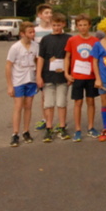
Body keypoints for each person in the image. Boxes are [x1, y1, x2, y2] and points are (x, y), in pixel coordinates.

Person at [36, 12, 73, 140]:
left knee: (62, 102)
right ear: (51, 24)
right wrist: (38, 76)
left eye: (59, 25)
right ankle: (49, 127)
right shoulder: (45, 39)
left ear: (63, 24)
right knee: (48, 103)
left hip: (62, 77)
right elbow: (41, 58)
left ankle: (62, 127)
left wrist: (70, 75)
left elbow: (71, 58)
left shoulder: (69, 38)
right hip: (48, 76)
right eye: (54, 25)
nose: (56, 27)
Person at [64, 14, 99, 141]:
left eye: (85, 25)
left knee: (91, 101)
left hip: (91, 76)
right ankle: (78, 129)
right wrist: (67, 74)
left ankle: (91, 127)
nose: (83, 27)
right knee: (78, 102)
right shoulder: (72, 40)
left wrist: (98, 77)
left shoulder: (95, 41)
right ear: (77, 26)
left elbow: (97, 59)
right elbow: (67, 57)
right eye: (80, 25)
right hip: (77, 76)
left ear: (89, 25)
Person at [6, 21, 40, 146]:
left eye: (33, 32)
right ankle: (15, 133)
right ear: (22, 34)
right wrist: (10, 85)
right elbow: (8, 66)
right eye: (30, 32)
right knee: (18, 106)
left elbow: (37, 62)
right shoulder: (15, 47)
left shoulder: (36, 46)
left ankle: (26, 131)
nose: (32, 34)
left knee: (28, 106)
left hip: (31, 79)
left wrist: (38, 77)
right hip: (18, 80)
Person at [32, 3, 53, 131]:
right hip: (41, 65)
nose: (49, 15)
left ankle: (58, 120)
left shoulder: (54, 29)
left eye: (50, 13)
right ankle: (45, 119)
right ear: (39, 15)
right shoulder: (35, 31)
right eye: (46, 13)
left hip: (55, 66)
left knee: (56, 94)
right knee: (44, 94)